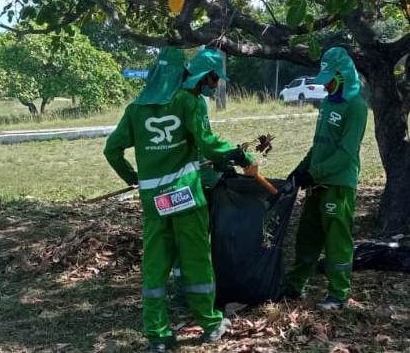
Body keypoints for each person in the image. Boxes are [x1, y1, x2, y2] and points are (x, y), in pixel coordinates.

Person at [103, 48, 255, 351]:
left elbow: (111, 150)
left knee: (156, 265)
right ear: (182, 74)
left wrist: (132, 177)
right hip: (185, 197)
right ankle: (210, 324)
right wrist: (240, 155)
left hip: (153, 202)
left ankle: (157, 334)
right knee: (196, 258)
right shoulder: (188, 102)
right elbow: (209, 145)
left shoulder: (135, 110)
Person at [284, 47, 368, 310]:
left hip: (339, 184)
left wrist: (314, 173)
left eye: (331, 79)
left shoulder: (356, 107)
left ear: (343, 76)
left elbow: (346, 153)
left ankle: (338, 293)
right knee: (307, 235)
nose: (326, 85)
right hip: (317, 181)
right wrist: (301, 170)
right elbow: (319, 145)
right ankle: (294, 286)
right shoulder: (328, 102)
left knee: (336, 239)